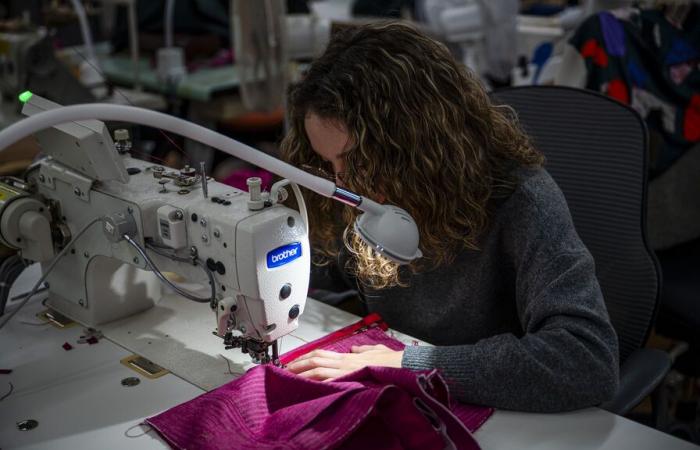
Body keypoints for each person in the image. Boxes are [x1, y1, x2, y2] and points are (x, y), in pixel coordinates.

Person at [281, 22, 619, 412]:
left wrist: (407, 363)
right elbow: (317, 273)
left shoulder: (523, 200)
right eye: (329, 163)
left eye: (354, 160)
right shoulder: (356, 188)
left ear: (412, 139)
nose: (344, 183)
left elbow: (585, 360)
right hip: (403, 391)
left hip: (496, 413)